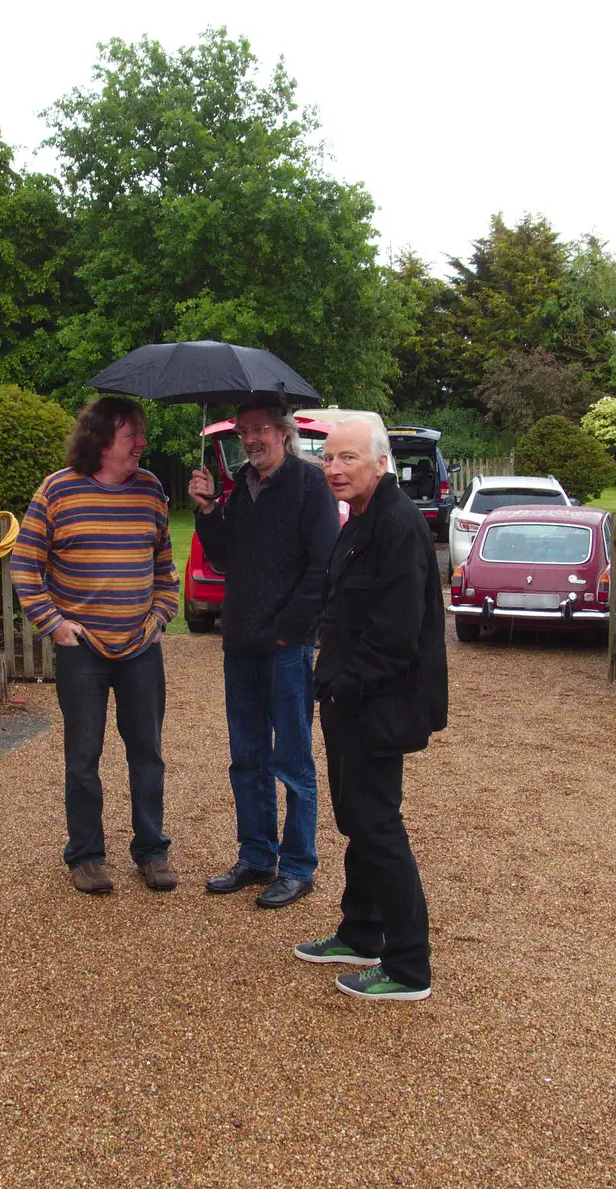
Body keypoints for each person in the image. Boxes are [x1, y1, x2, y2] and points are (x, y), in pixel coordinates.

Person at [292, 418, 447, 1001]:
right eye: (328, 458)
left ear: (381, 463)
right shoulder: (359, 520)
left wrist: (342, 687)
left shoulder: (397, 524)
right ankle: (361, 932)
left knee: (378, 826)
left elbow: (397, 633)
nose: (334, 468)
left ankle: (408, 967)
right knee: (358, 820)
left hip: (376, 704)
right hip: (348, 699)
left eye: (348, 458)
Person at [12, 396, 180, 895]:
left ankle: (152, 851)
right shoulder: (57, 491)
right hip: (82, 649)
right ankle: (85, 855)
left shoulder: (150, 489)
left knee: (147, 753)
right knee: (83, 755)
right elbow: (25, 564)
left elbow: (165, 568)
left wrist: (159, 617)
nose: (142, 445)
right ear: (103, 440)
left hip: (140, 648)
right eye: (134, 436)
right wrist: (54, 624)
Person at [188, 393, 339, 909]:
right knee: (246, 759)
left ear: (282, 432)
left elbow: (322, 566)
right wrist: (208, 509)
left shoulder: (308, 483)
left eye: (260, 430)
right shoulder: (242, 490)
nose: (251, 440)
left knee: (292, 760)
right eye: (243, 432)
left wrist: (289, 631)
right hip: (240, 645)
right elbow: (227, 557)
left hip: (285, 651)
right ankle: (256, 857)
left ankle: (297, 867)